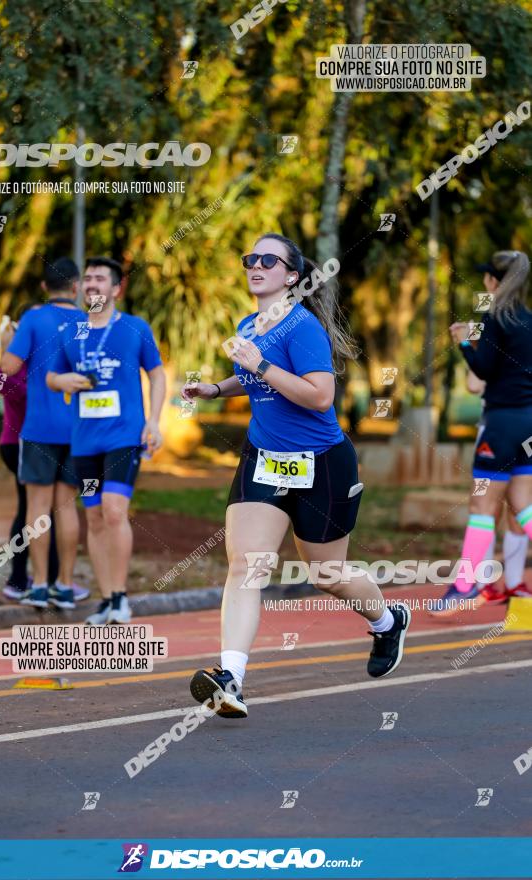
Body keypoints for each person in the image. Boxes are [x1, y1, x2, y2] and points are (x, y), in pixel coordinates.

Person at [183, 233, 411, 719]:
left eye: (270, 259)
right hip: (264, 459)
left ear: (291, 275)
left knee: (327, 575)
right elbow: (254, 381)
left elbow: (319, 396)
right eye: (251, 259)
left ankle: (388, 621)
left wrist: (259, 364)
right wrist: (214, 389)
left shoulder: (301, 326)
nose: (256, 265)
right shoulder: (249, 324)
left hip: (323, 464)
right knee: (248, 564)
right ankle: (231, 679)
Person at [46, 257, 166, 625]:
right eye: (87, 279)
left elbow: (157, 374)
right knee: (95, 518)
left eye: (100, 279)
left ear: (116, 289)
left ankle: (121, 597)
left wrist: (154, 421)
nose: (92, 285)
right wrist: (62, 382)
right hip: (84, 443)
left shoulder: (134, 328)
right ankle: (106, 598)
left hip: (123, 436)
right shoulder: (71, 331)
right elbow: (52, 376)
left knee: (114, 510)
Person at [432, 250, 532, 615]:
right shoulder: (529, 320)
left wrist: (462, 343)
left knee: (481, 505)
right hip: (528, 422)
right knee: (523, 505)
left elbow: (483, 372)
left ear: (494, 281)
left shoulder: (495, 318)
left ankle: (464, 586)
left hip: (501, 424)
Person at [0, 258, 84, 610]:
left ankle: (39, 586)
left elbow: (9, 368)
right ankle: (65, 585)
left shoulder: (33, 318)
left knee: (37, 508)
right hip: (79, 430)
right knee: (67, 507)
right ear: (77, 287)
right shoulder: (87, 321)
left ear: (44, 287)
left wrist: (8, 341)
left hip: (38, 428)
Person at [463, 372, 530, 607]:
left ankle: (514, 582)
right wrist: (470, 343)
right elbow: (474, 383)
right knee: (487, 508)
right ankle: (484, 584)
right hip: (493, 430)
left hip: (525, 430)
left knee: (519, 507)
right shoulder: (489, 341)